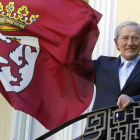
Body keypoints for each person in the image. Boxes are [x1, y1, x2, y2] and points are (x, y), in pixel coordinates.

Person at [84, 21, 140, 140]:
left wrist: (133, 100)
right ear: (116, 43)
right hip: (97, 134)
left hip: (133, 134)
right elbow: (74, 65)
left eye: (135, 38)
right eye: (125, 38)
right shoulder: (102, 64)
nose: (130, 43)